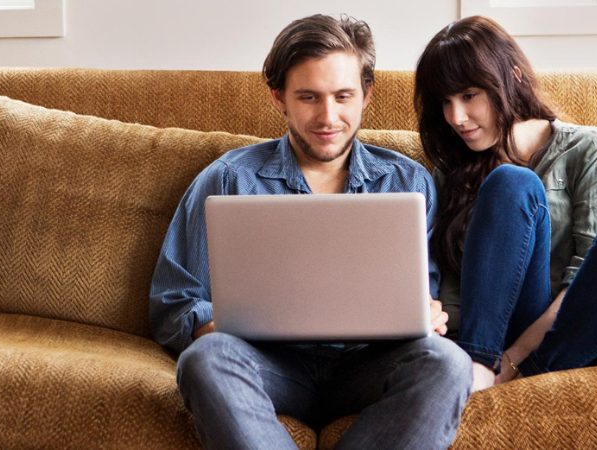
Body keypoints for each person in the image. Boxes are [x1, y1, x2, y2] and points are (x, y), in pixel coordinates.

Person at [149, 14, 472, 450]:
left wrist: (427, 313)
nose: (328, 116)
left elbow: (424, 294)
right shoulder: (227, 179)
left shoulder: (409, 182)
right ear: (278, 97)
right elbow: (173, 302)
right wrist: (214, 327)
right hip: (268, 363)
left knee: (448, 363)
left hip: (368, 365)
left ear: (366, 95)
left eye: (343, 96)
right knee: (205, 359)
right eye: (308, 97)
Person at [414, 16, 597, 392]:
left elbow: (591, 281)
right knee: (512, 183)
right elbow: (457, 295)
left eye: (469, 95)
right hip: (500, 342)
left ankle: (503, 377)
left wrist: (513, 361)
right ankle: (478, 368)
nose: (456, 117)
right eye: (445, 102)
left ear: (513, 77)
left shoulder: (587, 149)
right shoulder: (450, 174)